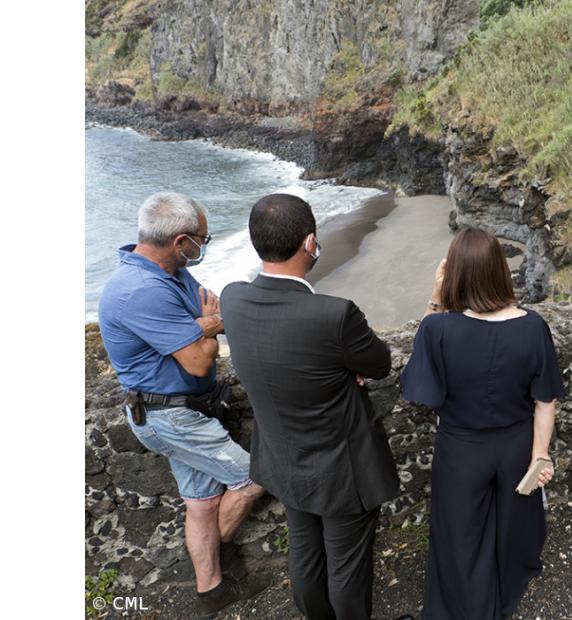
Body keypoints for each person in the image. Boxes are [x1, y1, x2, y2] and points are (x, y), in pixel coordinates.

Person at [220, 194, 410, 620]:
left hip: (283, 459)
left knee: (305, 554)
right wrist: (346, 366)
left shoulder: (232, 299)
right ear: (310, 243)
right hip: (342, 468)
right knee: (347, 567)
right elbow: (379, 364)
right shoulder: (333, 315)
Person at [98, 192, 267, 616]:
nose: (203, 247)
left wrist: (202, 325)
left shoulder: (170, 272)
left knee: (202, 502)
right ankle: (219, 561)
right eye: (202, 240)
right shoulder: (141, 290)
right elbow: (198, 361)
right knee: (252, 479)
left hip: (181, 410)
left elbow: (214, 313)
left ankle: (211, 590)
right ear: (180, 241)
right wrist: (206, 327)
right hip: (169, 416)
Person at [401, 227, 565, 619]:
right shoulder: (532, 326)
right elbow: (545, 400)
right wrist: (539, 455)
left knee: (460, 535)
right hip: (515, 445)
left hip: (460, 448)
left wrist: (436, 297)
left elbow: (419, 379)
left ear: (455, 274)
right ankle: (506, 592)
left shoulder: (438, 329)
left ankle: (469, 605)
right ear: (500, 271)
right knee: (513, 527)